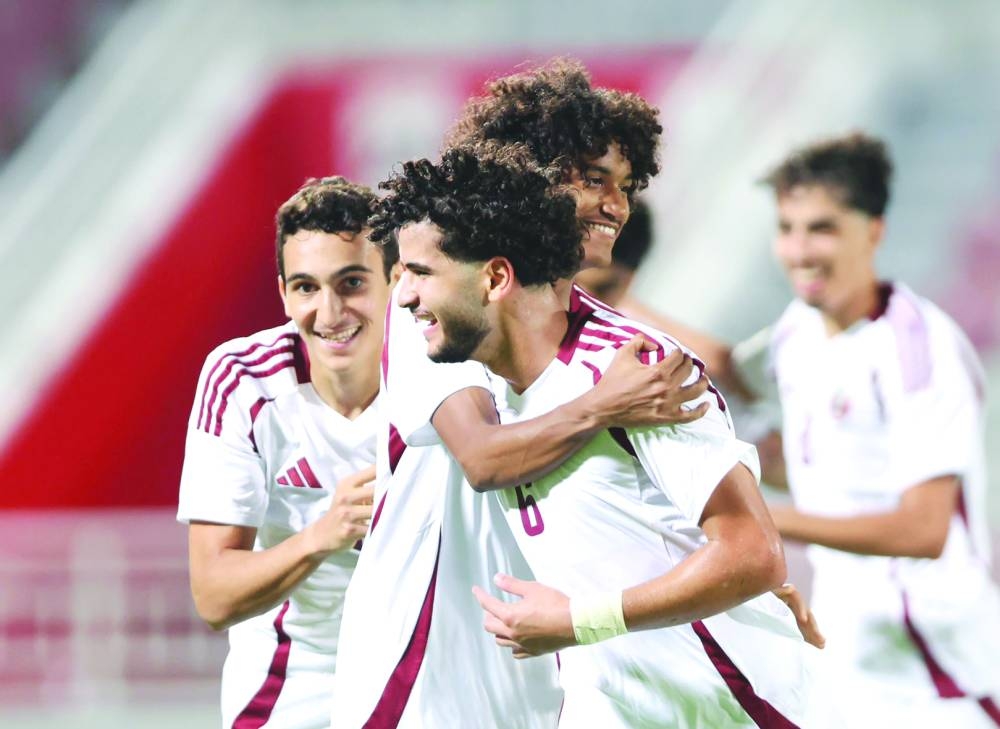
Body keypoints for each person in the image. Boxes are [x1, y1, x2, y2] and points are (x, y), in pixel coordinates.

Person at [330, 62, 714, 729]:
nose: (616, 205)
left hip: (542, 673)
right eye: (592, 178)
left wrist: (726, 586)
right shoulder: (443, 292)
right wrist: (601, 406)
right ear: (529, 171)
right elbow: (483, 458)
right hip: (421, 677)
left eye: (625, 186)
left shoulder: (585, 331)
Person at [382, 145, 820, 729]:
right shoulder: (482, 387)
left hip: (733, 705)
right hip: (610, 702)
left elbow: (752, 553)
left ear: (494, 277)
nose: (404, 296)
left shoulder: (640, 369)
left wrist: (577, 621)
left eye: (420, 274)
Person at [746, 132, 1000, 727]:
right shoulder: (796, 329)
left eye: (822, 228)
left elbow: (923, 529)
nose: (799, 249)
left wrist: (760, 515)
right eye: (786, 228)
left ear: (875, 231)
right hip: (850, 656)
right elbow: (734, 379)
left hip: (936, 669)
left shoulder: (918, 348)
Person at [177, 177, 393, 728]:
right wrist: (325, 533)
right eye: (306, 287)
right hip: (298, 676)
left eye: (351, 282)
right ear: (282, 293)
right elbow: (213, 596)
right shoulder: (242, 380)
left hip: (427, 666)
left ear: (394, 280)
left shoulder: (446, 375)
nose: (330, 312)